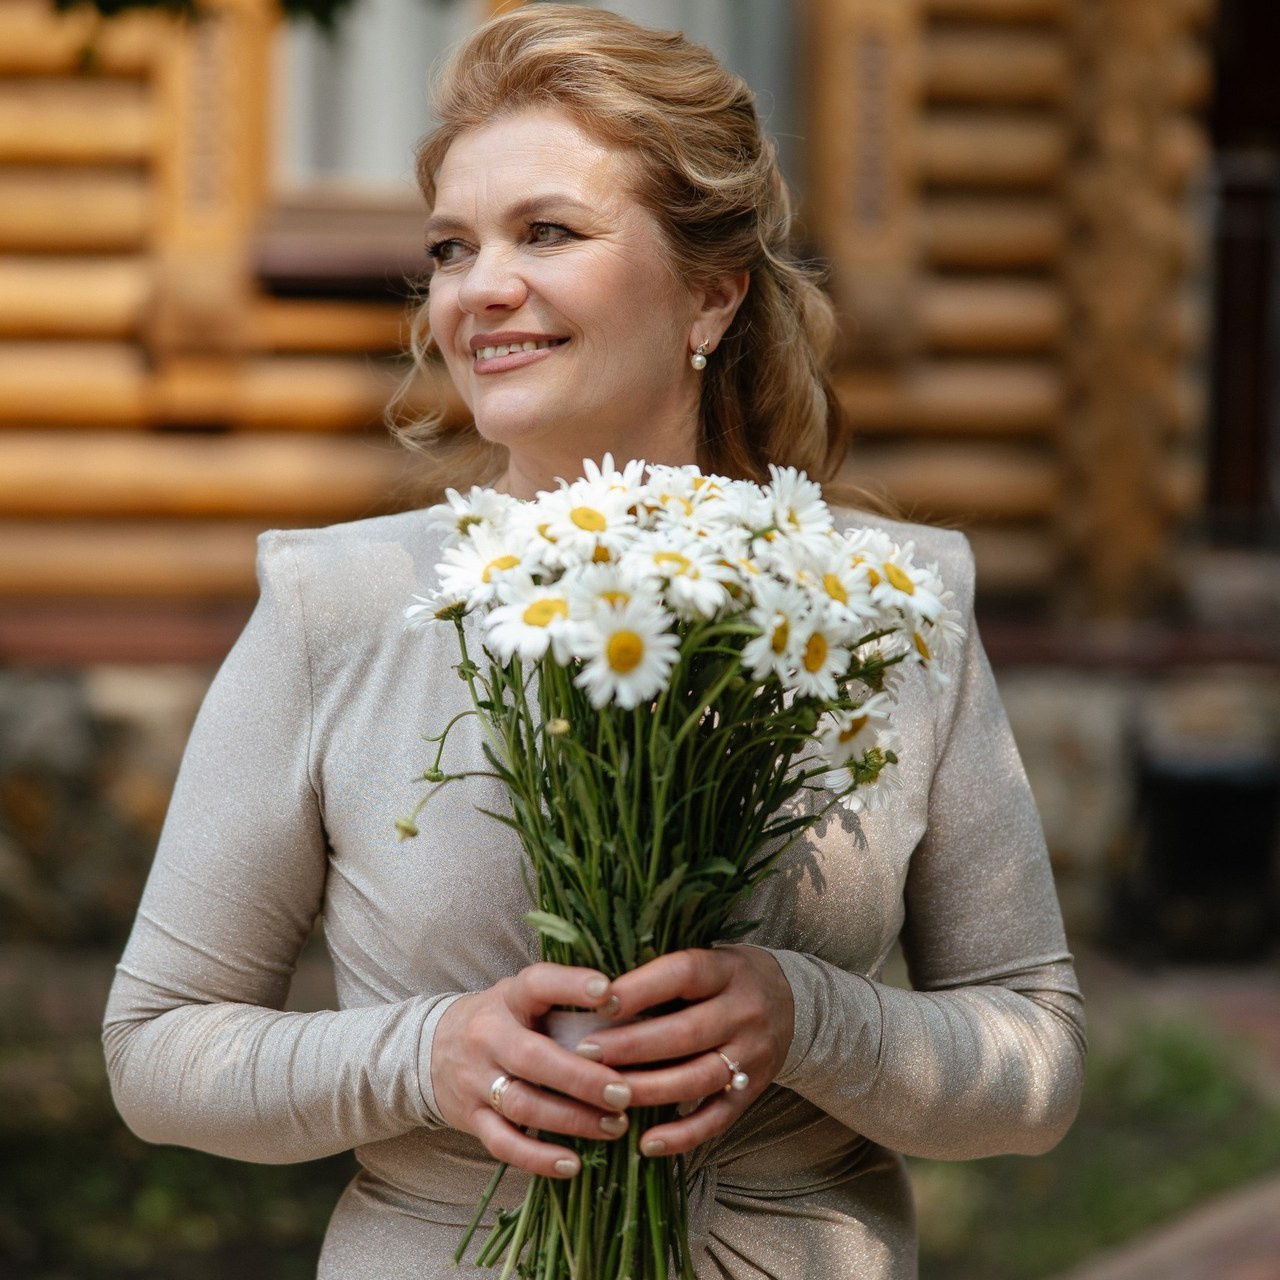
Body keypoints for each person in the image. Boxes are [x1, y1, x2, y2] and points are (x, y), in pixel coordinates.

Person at [103, 7, 1086, 1278]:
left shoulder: (884, 606)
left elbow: (1038, 1058)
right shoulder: (332, 605)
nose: (478, 289)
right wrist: (425, 1052)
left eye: (547, 232)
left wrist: (811, 1019)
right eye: (451, 248)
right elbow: (157, 1048)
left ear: (712, 292)